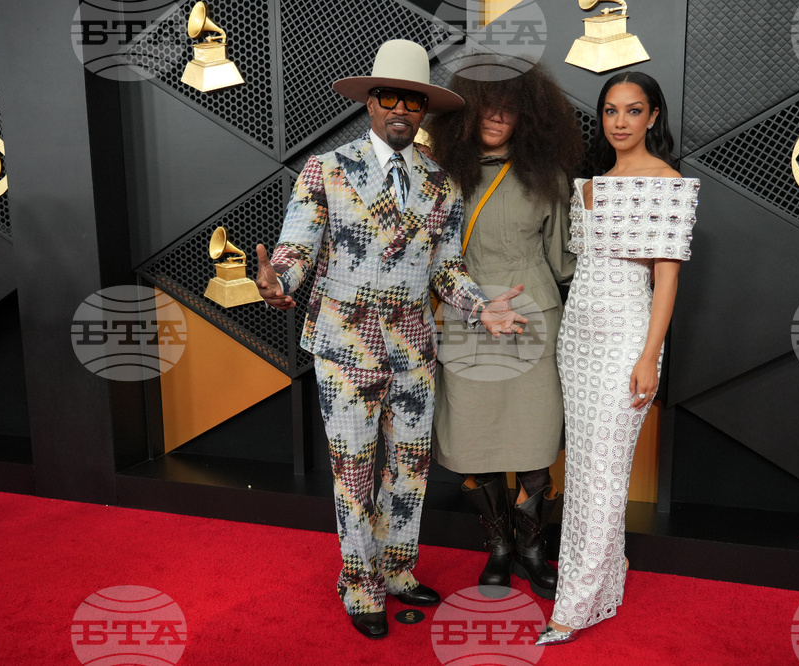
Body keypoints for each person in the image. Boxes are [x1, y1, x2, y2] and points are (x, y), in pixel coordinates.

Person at [254, 39, 527, 640]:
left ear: (424, 109)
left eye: (412, 99)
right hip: (344, 350)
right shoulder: (327, 168)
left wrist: (481, 308)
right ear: (370, 103)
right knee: (354, 471)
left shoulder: (440, 182)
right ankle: (359, 583)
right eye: (388, 98)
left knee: (410, 470)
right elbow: (297, 250)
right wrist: (280, 283)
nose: (400, 109)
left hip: (413, 350)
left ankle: (399, 572)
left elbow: (446, 269)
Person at [536, 71, 700, 645]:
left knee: (605, 475)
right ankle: (604, 585)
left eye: (633, 110)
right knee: (583, 470)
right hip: (578, 333)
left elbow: (666, 278)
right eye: (611, 111)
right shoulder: (590, 183)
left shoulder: (668, 183)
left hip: (627, 337)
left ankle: (573, 607)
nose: (621, 121)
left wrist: (650, 354)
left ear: (653, 116)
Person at [424, 64, 582, 600]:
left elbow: (564, 260)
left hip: (535, 317)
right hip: (465, 317)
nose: (496, 115)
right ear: (466, 109)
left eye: (509, 106)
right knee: (475, 439)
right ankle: (497, 547)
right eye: (486, 103)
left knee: (534, 439)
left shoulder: (549, 175)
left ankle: (534, 549)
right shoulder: (439, 173)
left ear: (529, 115)